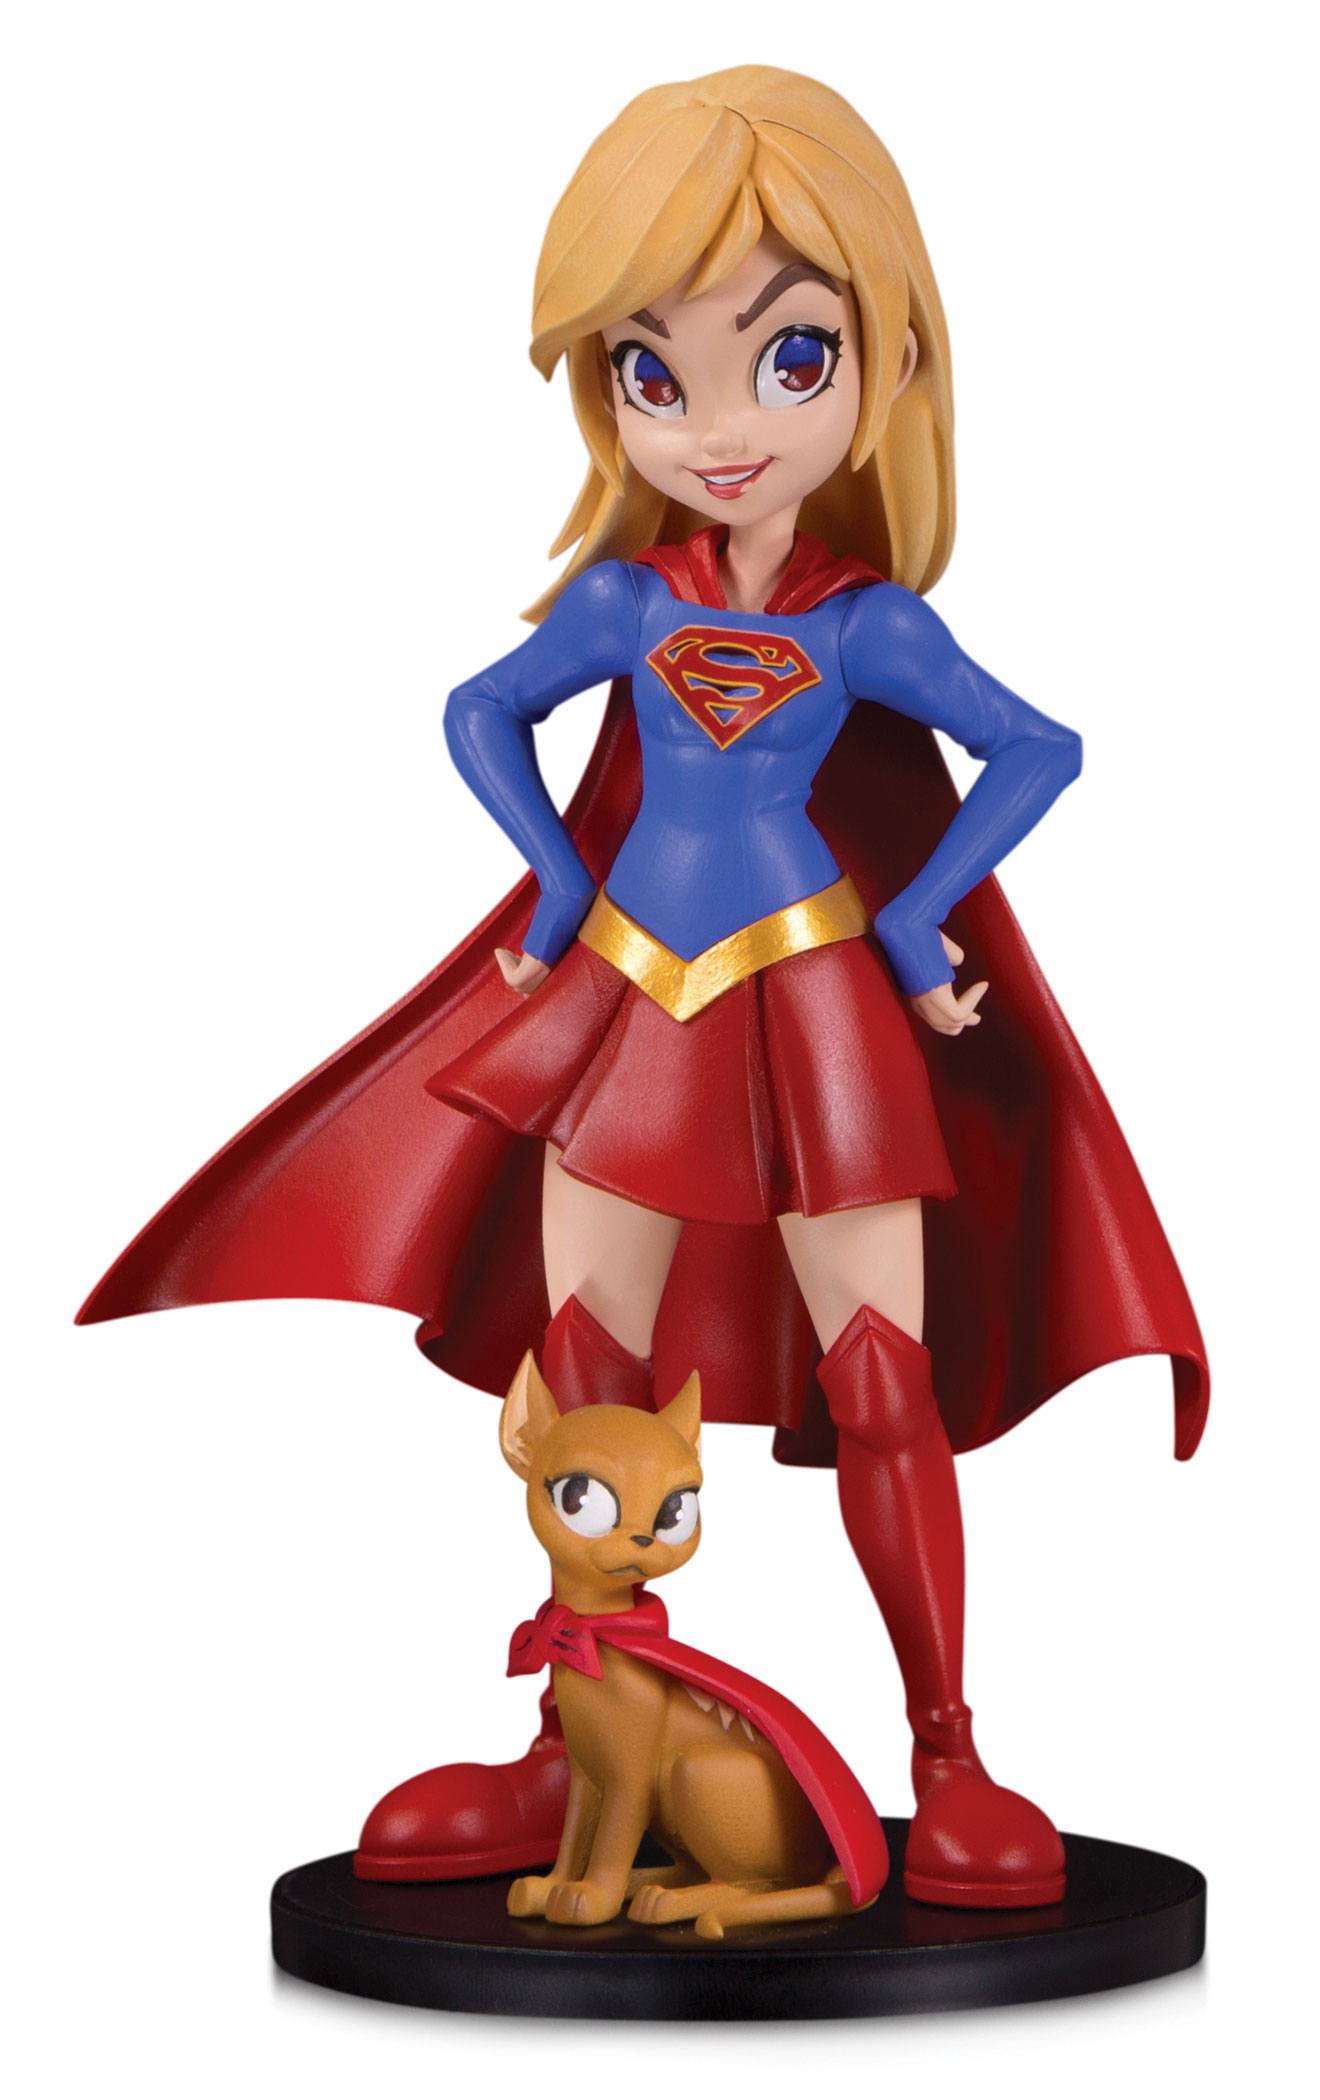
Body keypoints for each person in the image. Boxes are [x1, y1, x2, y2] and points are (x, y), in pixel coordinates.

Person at [80, 67, 1207, 1910]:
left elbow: (1038, 748)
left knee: (883, 1379)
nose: (718, 423)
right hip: (629, 1006)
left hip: (819, 1014)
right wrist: (555, 873)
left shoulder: (865, 622)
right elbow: (478, 711)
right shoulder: (629, 604)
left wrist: (920, 917)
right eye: (648, 370)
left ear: (888, 364)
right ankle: (573, 1737)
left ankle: (945, 1749)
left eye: (789, 356)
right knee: (587, 1377)